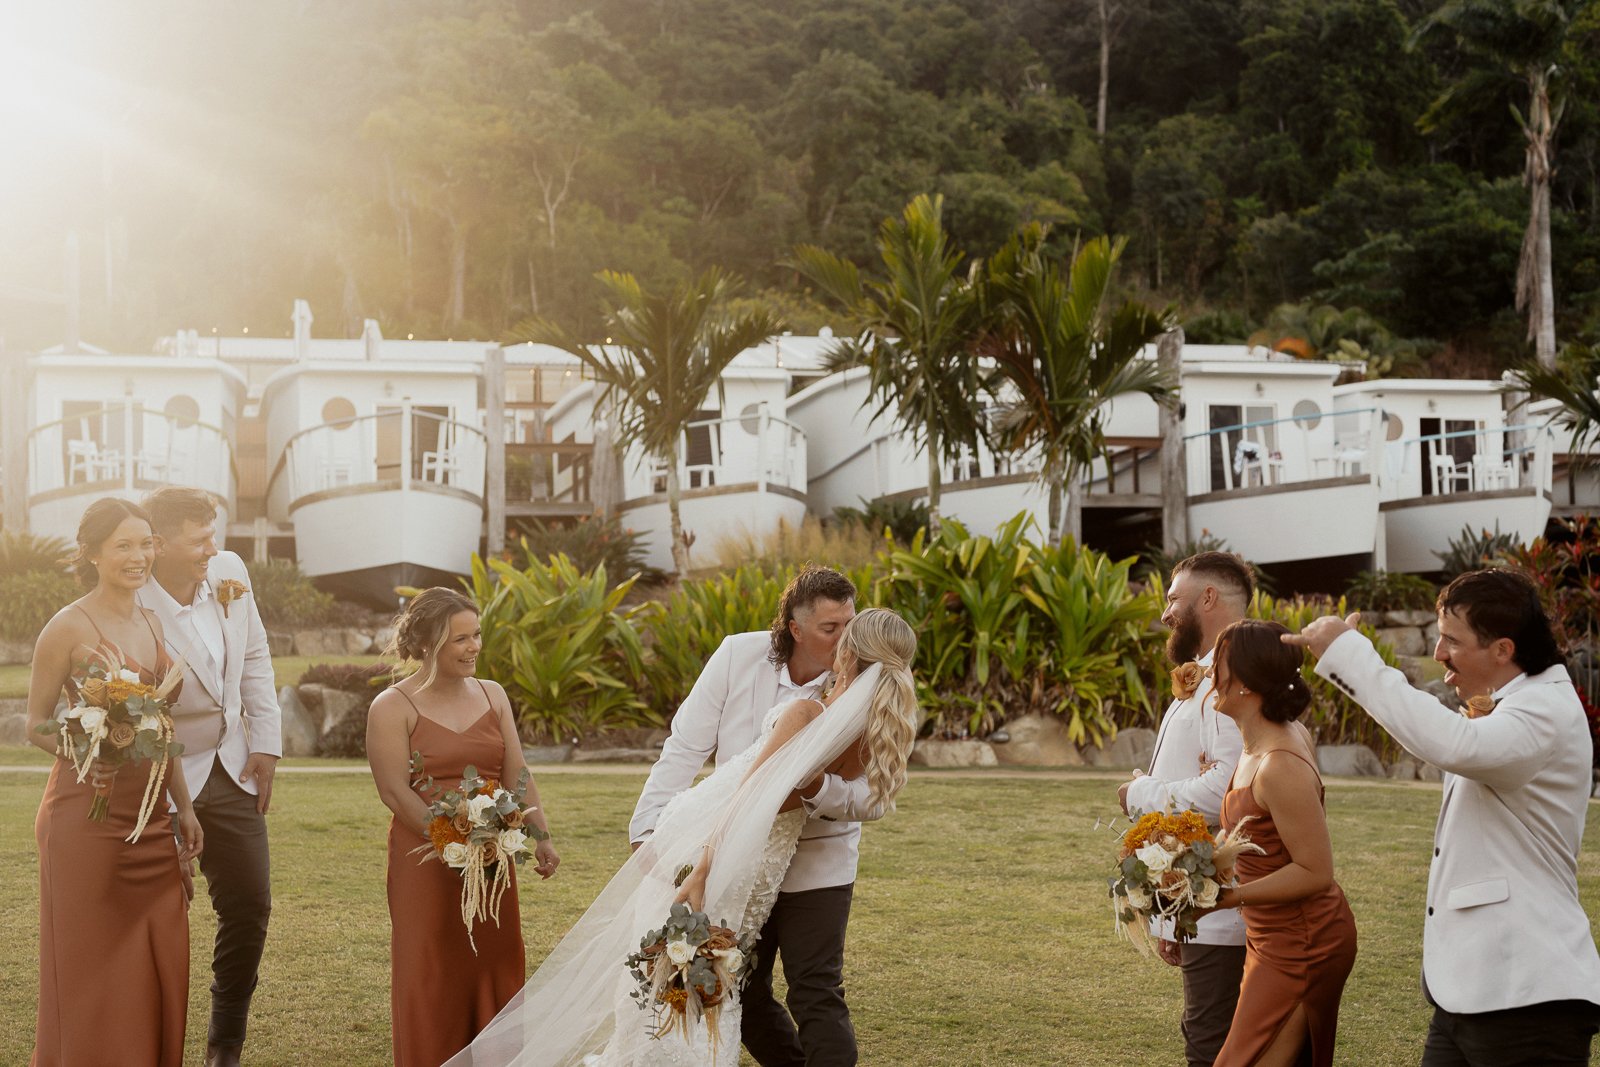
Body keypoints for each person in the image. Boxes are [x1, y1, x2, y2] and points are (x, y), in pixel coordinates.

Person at [444, 606, 919, 1067]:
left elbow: (748, 799)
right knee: (698, 968)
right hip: (752, 854)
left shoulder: (805, 713)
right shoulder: (870, 734)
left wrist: (704, 867)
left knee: (682, 965)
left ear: (848, 655)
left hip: (715, 839)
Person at [1290, 569, 1600, 1065]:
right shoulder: (1514, 705)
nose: (1438, 653)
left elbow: (1453, 744)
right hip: (1469, 994)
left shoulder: (1546, 709)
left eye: (1452, 640)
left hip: (1527, 997)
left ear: (1502, 649)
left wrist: (1350, 655)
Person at [631, 565, 868, 1067]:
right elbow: (686, 745)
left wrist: (811, 791)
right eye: (831, 628)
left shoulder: (862, 683)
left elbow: (868, 798)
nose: (846, 638)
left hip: (817, 862)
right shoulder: (738, 654)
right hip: (734, 854)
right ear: (795, 628)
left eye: (850, 623)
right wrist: (648, 828)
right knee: (739, 985)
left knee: (815, 988)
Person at [26, 496, 204, 1067]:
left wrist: (184, 808)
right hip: (87, 820)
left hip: (151, 821)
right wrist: (81, 749)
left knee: (158, 956)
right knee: (91, 971)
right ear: (92, 553)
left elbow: (164, 724)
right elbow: (35, 724)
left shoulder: (152, 620)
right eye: (124, 545)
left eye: (146, 543)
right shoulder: (66, 626)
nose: (139, 556)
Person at [367, 587, 559, 1067]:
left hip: (492, 859)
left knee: (495, 961)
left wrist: (539, 835)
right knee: (433, 969)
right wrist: (451, 840)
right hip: (424, 865)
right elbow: (394, 790)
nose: (474, 647)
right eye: (460, 639)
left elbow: (516, 772)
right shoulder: (392, 707)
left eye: (477, 635)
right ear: (427, 643)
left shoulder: (493, 694)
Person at [137, 486, 280, 1067]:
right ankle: (145, 1043)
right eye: (199, 540)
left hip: (235, 766)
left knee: (249, 905)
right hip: (158, 777)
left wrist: (265, 742)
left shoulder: (229, 571)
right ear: (158, 544)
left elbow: (255, 654)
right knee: (155, 915)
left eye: (213, 535)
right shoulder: (132, 601)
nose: (213, 549)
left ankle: (225, 1045)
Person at [1118, 551, 1251, 1066]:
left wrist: (1139, 794)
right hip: (1200, 905)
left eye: (1174, 598)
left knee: (1211, 1047)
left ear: (1208, 598)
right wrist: (1171, 917)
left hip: (1225, 907)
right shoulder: (1207, 674)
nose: (1165, 612)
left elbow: (1229, 789)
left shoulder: (1229, 677)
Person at [1207, 619, 1357, 1067]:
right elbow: (1250, 833)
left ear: (1248, 683)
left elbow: (1315, 871)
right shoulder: (1256, 741)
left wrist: (1226, 899)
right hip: (1270, 936)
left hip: (1305, 941)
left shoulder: (1279, 763)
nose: (1210, 673)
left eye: (1220, 664)